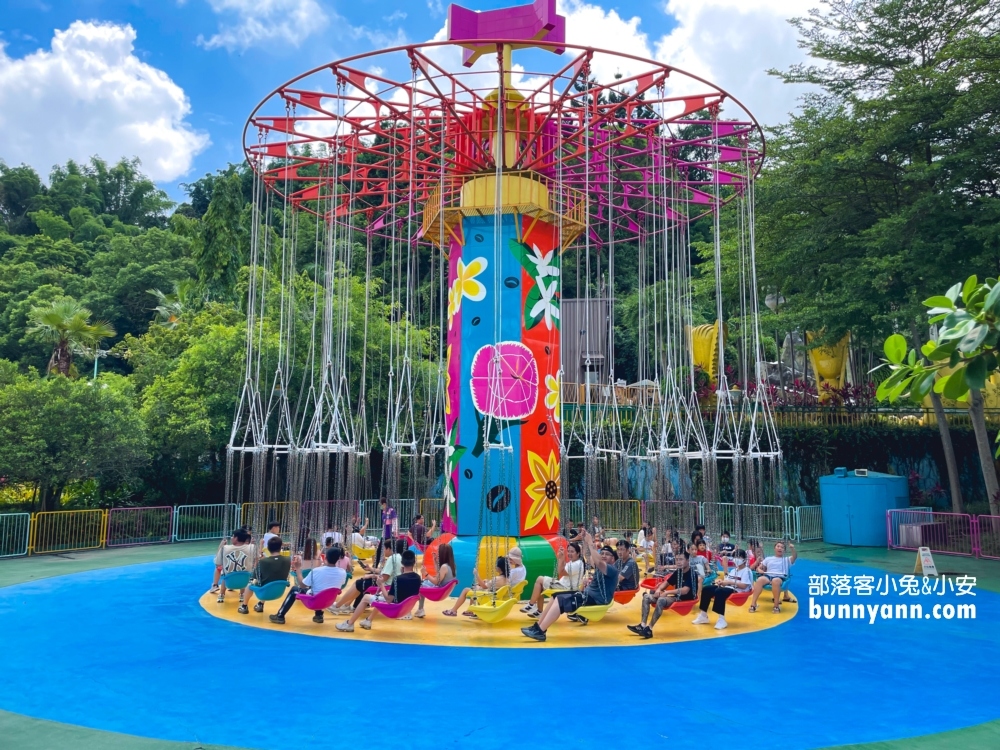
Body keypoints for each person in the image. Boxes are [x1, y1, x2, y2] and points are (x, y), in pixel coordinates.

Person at [521, 532, 618, 642]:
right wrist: (585, 541)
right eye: (603, 553)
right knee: (555, 596)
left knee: (561, 600)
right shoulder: (600, 567)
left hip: (595, 599)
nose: (604, 555)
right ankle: (537, 626)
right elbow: (588, 556)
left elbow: (598, 561)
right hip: (586, 595)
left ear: (613, 559)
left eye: (607, 554)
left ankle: (541, 631)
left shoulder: (612, 570)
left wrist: (591, 542)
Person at [336, 550, 422, 632]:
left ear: (402, 564)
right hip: (405, 606)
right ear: (414, 563)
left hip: (395, 607)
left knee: (366, 597)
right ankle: (368, 621)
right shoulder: (417, 577)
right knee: (380, 595)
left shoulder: (398, 579)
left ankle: (349, 624)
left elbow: (388, 600)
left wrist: (381, 584)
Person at [627, 551, 698, 639]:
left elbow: (685, 591)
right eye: (677, 559)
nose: (678, 562)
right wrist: (659, 590)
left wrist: (667, 592)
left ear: (687, 561)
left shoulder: (692, 574)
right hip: (676, 597)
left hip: (685, 599)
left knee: (661, 600)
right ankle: (642, 625)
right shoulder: (678, 572)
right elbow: (666, 582)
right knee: (646, 597)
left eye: (681, 559)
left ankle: (649, 629)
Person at [269, 547, 348, 625]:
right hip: (328, 601)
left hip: (314, 601)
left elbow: (302, 585)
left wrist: (298, 569)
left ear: (325, 557)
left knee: (294, 589)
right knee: (319, 587)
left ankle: (280, 616)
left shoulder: (316, 571)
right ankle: (319, 615)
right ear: (338, 559)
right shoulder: (342, 572)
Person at [330, 538, 401, 613]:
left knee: (359, 583)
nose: (383, 551)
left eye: (384, 549)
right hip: (390, 583)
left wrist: (370, 576)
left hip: (386, 584)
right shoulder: (398, 557)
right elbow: (384, 572)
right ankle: (346, 605)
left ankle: (338, 605)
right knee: (359, 582)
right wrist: (371, 569)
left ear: (389, 549)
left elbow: (384, 578)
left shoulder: (391, 559)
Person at [692, 549, 752, 630]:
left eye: (738, 557)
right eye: (735, 557)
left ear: (744, 559)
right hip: (728, 587)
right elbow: (727, 580)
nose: (736, 559)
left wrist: (728, 582)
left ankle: (721, 619)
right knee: (707, 589)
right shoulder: (734, 570)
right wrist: (722, 582)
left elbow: (744, 585)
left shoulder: (747, 571)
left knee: (719, 591)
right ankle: (703, 615)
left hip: (738, 591)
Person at [521, 542, 585, 618]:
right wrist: (560, 558)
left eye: (572, 551)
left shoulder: (577, 564)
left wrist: (561, 558)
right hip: (563, 585)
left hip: (567, 588)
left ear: (578, 553)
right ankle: (539, 611)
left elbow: (560, 572)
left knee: (540, 579)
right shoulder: (573, 562)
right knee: (540, 585)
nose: (569, 553)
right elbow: (562, 567)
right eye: (568, 551)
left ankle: (531, 604)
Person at [442, 557, 509, 617]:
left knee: (466, 590)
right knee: (474, 587)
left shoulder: (497, 579)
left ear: (499, 568)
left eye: (496, 565)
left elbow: (485, 586)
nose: (495, 567)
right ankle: (470, 610)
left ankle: (454, 610)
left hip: (487, 596)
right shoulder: (506, 579)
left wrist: (477, 575)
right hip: (493, 595)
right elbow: (493, 584)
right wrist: (487, 581)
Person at [242, 536, 291, 613]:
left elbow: (255, 576)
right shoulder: (288, 560)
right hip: (280, 590)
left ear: (268, 548)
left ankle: (244, 606)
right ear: (281, 547)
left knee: (250, 585)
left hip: (265, 592)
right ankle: (260, 604)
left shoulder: (263, 562)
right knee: (269, 579)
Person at [749, 541, 797, 613]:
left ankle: (776, 606)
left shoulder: (787, 559)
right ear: (774, 548)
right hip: (768, 576)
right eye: (778, 546)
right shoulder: (768, 559)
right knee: (760, 580)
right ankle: (753, 604)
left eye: (782, 547)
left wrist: (792, 548)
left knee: (775, 581)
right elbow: (759, 568)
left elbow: (795, 556)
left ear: (784, 550)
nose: (780, 548)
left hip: (779, 577)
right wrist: (759, 570)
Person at [416, 541, 456, 618]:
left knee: (418, 585)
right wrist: (435, 561)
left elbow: (436, 582)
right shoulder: (451, 565)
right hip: (442, 589)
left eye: (438, 552)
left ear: (443, 554)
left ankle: (420, 609)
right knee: (422, 583)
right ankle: (420, 609)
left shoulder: (444, 567)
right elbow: (439, 574)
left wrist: (426, 574)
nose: (437, 554)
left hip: (439, 590)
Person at [215, 528, 256, 604]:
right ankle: (242, 594)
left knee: (225, 574)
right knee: (243, 569)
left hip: (229, 581)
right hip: (245, 580)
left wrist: (220, 546)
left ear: (236, 538)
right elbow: (258, 558)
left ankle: (221, 594)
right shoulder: (252, 547)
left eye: (232, 536)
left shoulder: (225, 548)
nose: (231, 538)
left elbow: (218, 563)